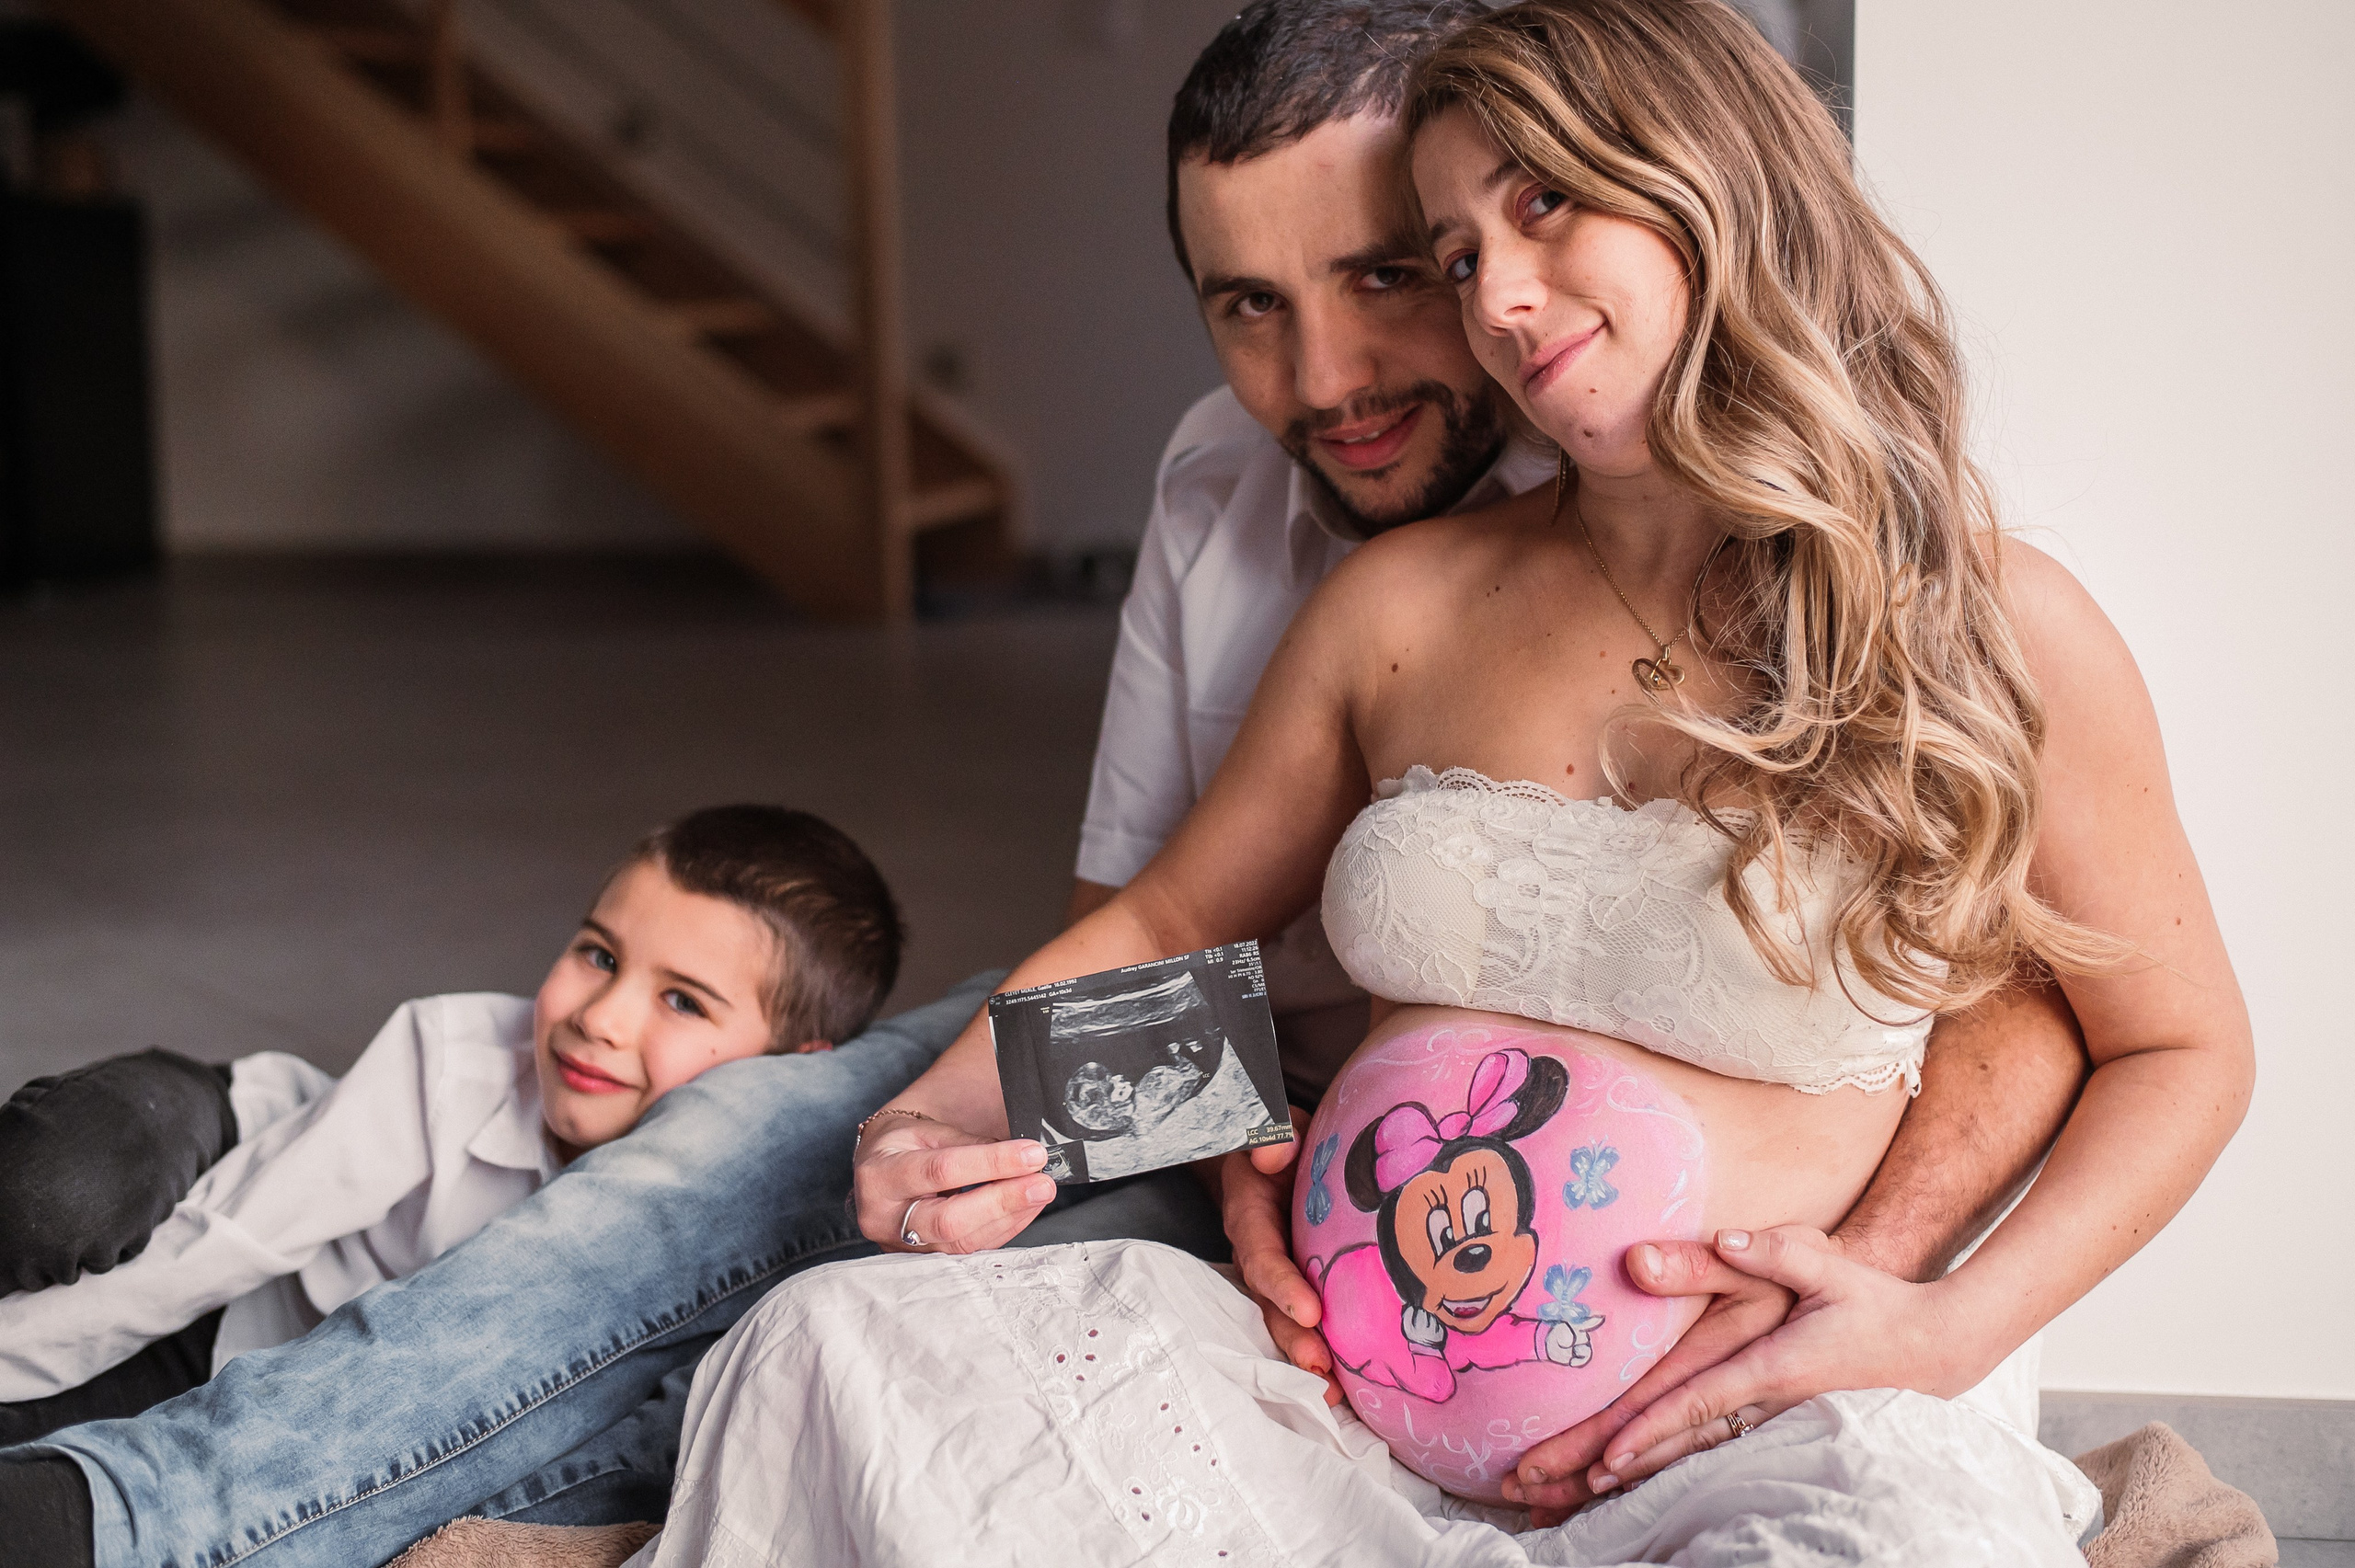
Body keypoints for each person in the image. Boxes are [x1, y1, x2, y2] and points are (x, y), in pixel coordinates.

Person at [0, 4, 2087, 1562]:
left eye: (1381, 279)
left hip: (1543, 1185)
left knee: (798, 1231)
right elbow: (1168, 942)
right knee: (776, 1147)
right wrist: (980, 1121)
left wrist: (1888, 1270)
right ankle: (141, 1496)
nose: (1324, 384)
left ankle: (229, 1442)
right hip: (1251, 1060)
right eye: (1244, 309)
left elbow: (1970, 982)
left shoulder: (1667, 464)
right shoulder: (1225, 480)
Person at [641, 0, 2252, 1562]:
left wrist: (1945, 1325)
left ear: (1717, 179)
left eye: (1545, 206)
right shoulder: (1400, 605)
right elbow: (1164, 930)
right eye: (1464, 252)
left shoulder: (1987, 623)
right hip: (1329, 1420)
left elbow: (2178, 1046)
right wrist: (943, 1112)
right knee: (825, 1352)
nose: (1499, 300)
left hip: (1751, 1429)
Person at [0, 804, 896, 1440]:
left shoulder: (735, 1212)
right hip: (228, 1158)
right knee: (57, 1191)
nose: (602, 1017)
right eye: (598, 953)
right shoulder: (452, 1054)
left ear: (787, 1074)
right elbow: (222, 1242)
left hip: (247, 1350)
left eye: (681, 1001)